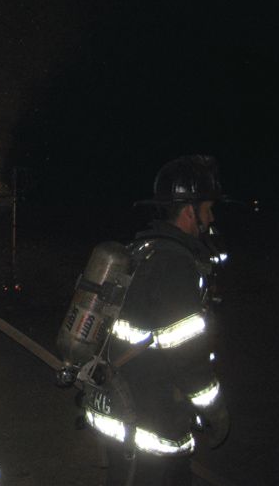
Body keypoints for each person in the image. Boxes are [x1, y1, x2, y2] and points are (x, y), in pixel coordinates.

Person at [83, 155, 231, 486]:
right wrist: (215, 409)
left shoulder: (141, 249)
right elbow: (186, 352)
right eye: (207, 208)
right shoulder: (175, 263)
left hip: (116, 406)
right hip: (151, 418)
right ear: (189, 210)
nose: (211, 217)